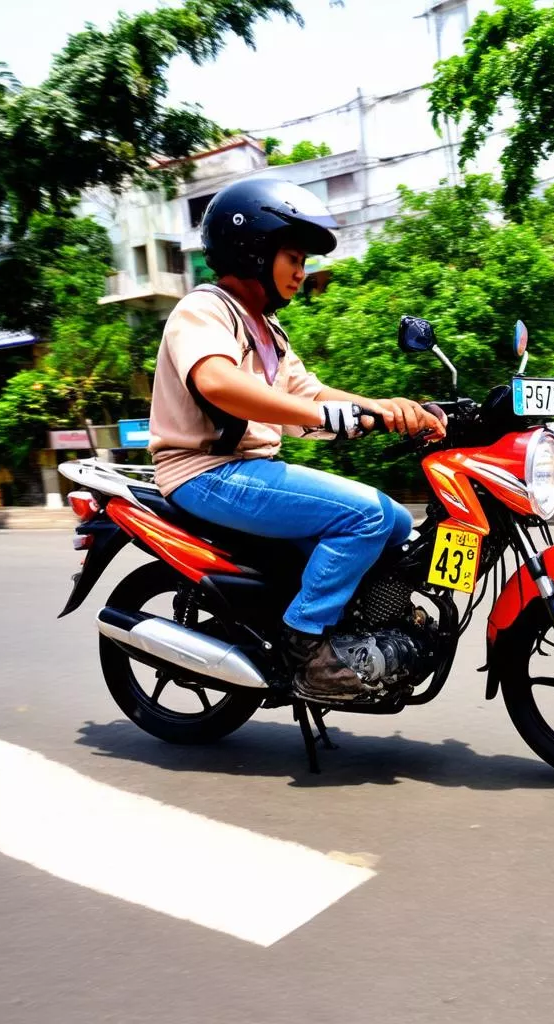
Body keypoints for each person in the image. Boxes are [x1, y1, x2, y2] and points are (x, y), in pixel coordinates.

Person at [148, 177, 445, 703]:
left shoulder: (269, 332)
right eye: (292, 256)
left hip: (246, 473)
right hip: (205, 472)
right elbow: (216, 381)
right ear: (253, 250)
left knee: (396, 519)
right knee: (369, 515)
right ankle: (307, 647)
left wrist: (391, 408)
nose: (301, 272)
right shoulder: (205, 309)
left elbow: (311, 393)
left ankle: (355, 628)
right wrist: (326, 411)